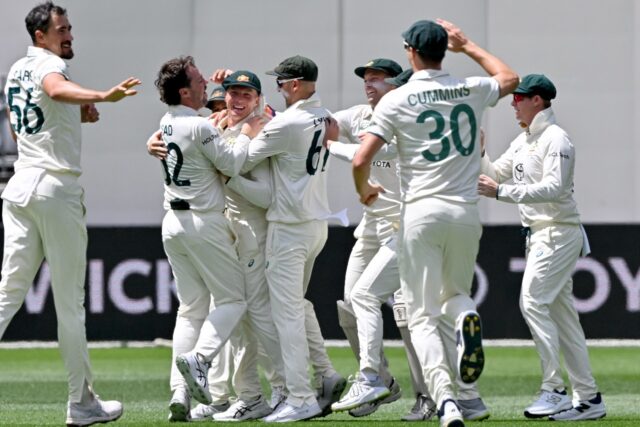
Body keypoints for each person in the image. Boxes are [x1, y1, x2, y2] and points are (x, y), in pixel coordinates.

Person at [352, 19, 518, 427]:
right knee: (456, 295)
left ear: (410, 50)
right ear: (446, 49)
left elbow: (360, 158)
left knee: (421, 315)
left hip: (420, 214)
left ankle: (444, 402)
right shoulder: (470, 88)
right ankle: (464, 320)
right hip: (464, 212)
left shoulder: (396, 99)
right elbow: (509, 77)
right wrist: (469, 46)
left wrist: (365, 190)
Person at [0, 2, 140, 426]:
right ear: (40, 36)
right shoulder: (48, 66)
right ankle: (82, 404)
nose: (70, 34)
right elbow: (56, 88)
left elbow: (22, 121)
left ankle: (84, 401)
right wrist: (102, 96)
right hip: (53, 188)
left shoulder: (15, 70)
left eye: (69, 27)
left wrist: (75, 112)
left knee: (8, 292)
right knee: (70, 305)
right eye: (62, 29)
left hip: (20, 186)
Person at [152, 56, 279, 422]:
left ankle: (179, 391)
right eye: (199, 82)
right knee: (234, 301)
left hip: (171, 223)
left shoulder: (167, 122)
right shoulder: (199, 127)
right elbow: (234, 164)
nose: (208, 86)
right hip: (202, 222)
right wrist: (249, 129)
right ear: (185, 91)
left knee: (190, 310)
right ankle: (201, 359)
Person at [477, 74, 606, 421]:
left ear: (538, 100)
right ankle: (589, 399)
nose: (513, 103)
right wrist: (479, 151)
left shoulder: (556, 138)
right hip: (539, 235)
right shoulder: (523, 141)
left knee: (532, 301)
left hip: (559, 232)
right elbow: (495, 173)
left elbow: (553, 188)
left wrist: (501, 193)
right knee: (564, 319)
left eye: (519, 98)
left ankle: (555, 389)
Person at [232, 55, 343, 423]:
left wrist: (248, 129)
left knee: (286, 316)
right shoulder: (325, 116)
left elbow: (241, 160)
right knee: (296, 306)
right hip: (315, 225)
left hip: (290, 228)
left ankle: (299, 397)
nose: (278, 89)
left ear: (295, 84)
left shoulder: (287, 123)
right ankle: (324, 375)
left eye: (281, 83)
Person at [326, 59, 416, 417]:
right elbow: (325, 123)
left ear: (394, 84)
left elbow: (374, 153)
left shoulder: (404, 118)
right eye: (366, 78)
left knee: (407, 316)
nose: (369, 83)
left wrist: (332, 148)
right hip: (371, 227)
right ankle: (381, 381)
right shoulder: (360, 115)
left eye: (376, 78)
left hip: (403, 225)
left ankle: (426, 394)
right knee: (351, 307)